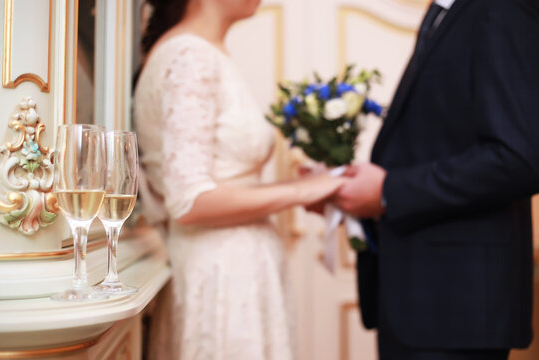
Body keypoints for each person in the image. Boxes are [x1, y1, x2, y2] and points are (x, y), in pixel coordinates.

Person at [133, 0, 345, 359]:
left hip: (237, 272)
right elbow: (190, 201)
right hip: (222, 280)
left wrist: (301, 186)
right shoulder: (190, 56)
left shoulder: (205, 51)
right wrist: (297, 191)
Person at [332, 0, 539, 359]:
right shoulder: (443, 11)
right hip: (424, 303)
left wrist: (388, 191)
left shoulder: (503, 7)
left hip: (457, 309)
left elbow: (519, 157)